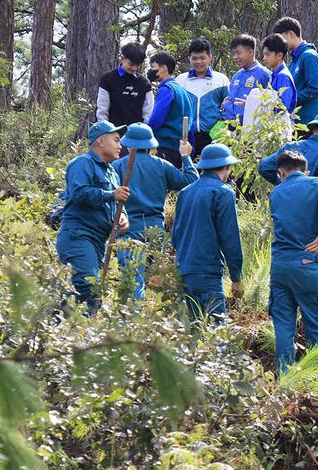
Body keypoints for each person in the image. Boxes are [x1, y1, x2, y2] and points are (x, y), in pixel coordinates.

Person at [269, 150, 318, 384]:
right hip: (308, 265)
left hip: (280, 267)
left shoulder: (276, 193)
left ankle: (285, 383)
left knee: (283, 328)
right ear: (306, 171)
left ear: (281, 173)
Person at [111, 123, 198, 301]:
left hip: (128, 230)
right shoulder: (161, 165)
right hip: (156, 232)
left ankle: (137, 315)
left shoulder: (118, 166)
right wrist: (185, 157)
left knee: (133, 281)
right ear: (151, 145)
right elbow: (191, 180)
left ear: (128, 145)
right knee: (150, 281)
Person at [55, 122, 130, 312]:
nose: (120, 145)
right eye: (116, 140)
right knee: (89, 289)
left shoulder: (112, 172)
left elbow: (117, 202)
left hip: (97, 242)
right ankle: (58, 324)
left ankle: (59, 324)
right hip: (79, 236)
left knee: (87, 294)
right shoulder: (82, 163)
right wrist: (111, 195)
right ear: (101, 141)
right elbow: (79, 193)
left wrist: (123, 216)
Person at [171, 143, 244, 323]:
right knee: (216, 328)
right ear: (226, 167)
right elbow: (230, 238)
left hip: (184, 270)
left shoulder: (185, 193)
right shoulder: (223, 192)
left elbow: (175, 237)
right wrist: (237, 277)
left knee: (194, 329)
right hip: (208, 271)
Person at [259, 111, 318, 187]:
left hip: (284, 200)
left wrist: (283, 184)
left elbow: (264, 167)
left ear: (313, 130)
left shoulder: (290, 147)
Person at [146, 52, 200, 169]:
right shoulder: (183, 92)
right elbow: (191, 124)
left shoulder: (166, 89)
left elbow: (157, 119)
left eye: (153, 67)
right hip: (180, 150)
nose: (151, 71)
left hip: (164, 147)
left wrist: (144, 132)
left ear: (163, 68)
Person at [179, 38, 230, 151]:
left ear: (210, 57)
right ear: (189, 58)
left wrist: (219, 128)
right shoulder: (180, 80)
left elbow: (228, 107)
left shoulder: (221, 80)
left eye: (202, 58)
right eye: (194, 58)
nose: (198, 62)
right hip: (187, 136)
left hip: (213, 137)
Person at [275, 17, 318, 124]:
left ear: (291, 34)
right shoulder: (294, 60)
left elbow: (315, 89)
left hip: (306, 123)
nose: (280, 44)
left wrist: (291, 99)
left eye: (282, 39)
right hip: (292, 122)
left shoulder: (309, 56)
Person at [96, 43, 155, 129]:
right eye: (131, 64)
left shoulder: (144, 84)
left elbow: (148, 114)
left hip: (136, 133)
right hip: (112, 132)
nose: (134, 68)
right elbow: (102, 110)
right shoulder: (108, 79)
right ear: (123, 58)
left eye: (137, 65)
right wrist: (105, 131)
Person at [222, 33, 272, 122]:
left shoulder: (265, 75)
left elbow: (269, 105)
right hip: (233, 126)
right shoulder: (236, 76)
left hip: (254, 127)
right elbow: (228, 102)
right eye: (234, 53)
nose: (235, 57)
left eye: (238, 53)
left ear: (250, 52)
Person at [261, 33, 298, 118]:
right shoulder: (274, 75)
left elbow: (283, 107)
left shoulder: (283, 77)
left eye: (268, 54)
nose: (264, 58)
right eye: (264, 55)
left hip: (280, 124)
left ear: (279, 55)